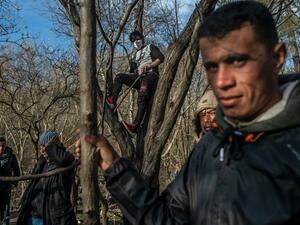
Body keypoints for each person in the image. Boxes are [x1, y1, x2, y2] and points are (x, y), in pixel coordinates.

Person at [76, 1, 300, 224]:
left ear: (277, 57)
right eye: (212, 67)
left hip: (149, 80)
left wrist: (149, 67)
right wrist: (114, 168)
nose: (221, 81)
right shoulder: (211, 146)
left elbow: (160, 59)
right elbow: (167, 219)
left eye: (237, 61)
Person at [106, 30, 164, 134]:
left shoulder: (150, 47)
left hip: (151, 75)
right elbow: (132, 72)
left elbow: (161, 58)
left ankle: (135, 126)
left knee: (142, 93)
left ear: (142, 39)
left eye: (137, 39)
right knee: (119, 76)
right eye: (133, 41)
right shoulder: (133, 56)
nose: (136, 42)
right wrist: (130, 75)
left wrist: (149, 66)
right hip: (139, 78)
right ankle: (112, 101)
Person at [17, 131, 77, 225]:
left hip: (50, 217)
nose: (42, 150)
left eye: (44, 146)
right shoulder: (42, 162)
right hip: (33, 215)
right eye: (40, 146)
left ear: (53, 146)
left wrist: (51, 146)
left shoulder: (65, 160)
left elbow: (63, 160)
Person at [0, 137, 20, 225]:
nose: (1, 148)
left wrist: (14, 183)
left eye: (3, 146)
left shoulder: (10, 156)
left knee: (5, 211)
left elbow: (16, 170)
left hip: (5, 188)